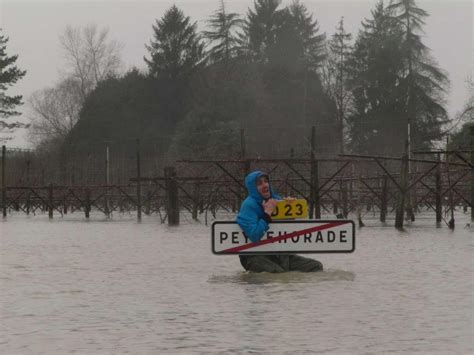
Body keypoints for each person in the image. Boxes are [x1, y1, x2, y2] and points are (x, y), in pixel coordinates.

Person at [236, 170, 323, 273]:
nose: (264, 185)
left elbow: (285, 227)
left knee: (316, 266)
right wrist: (267, 213)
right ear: (253, 188)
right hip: (253, 255)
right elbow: (254, 235)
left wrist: (290, 208)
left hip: (279, 252)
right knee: (278, 275)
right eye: (259, 183)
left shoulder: (276, 200)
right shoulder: (248, 205)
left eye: (265, 181)